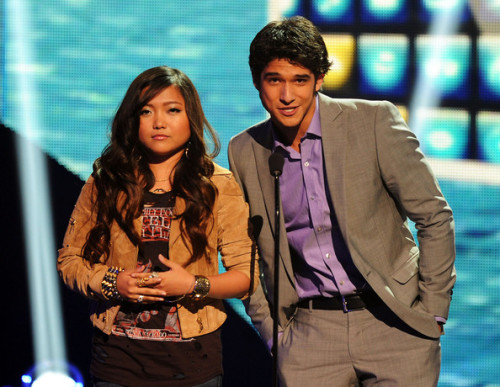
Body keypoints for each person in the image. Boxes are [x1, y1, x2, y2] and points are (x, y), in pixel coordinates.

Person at [228, 16, 456, 386]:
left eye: (300, 80)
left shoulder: (374, 122)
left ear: (319, 80)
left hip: (394, 321)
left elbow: (434, 217)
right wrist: (273, 331)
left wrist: (432, 313)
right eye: (275, 81)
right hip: (309, 334)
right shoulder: (245, 150)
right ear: (258, 82)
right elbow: (246, 249)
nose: (287, 96)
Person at [58, 66, 258, 387]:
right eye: (146, 111)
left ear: (190, 118)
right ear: (132, 119)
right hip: (117, 361)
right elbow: (70, 261)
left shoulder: (218, 185)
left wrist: (193, 285)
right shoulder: (106, 181)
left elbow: (245, 277)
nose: (159, 122)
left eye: (172, 110)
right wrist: (113, 282)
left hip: (192, 362)